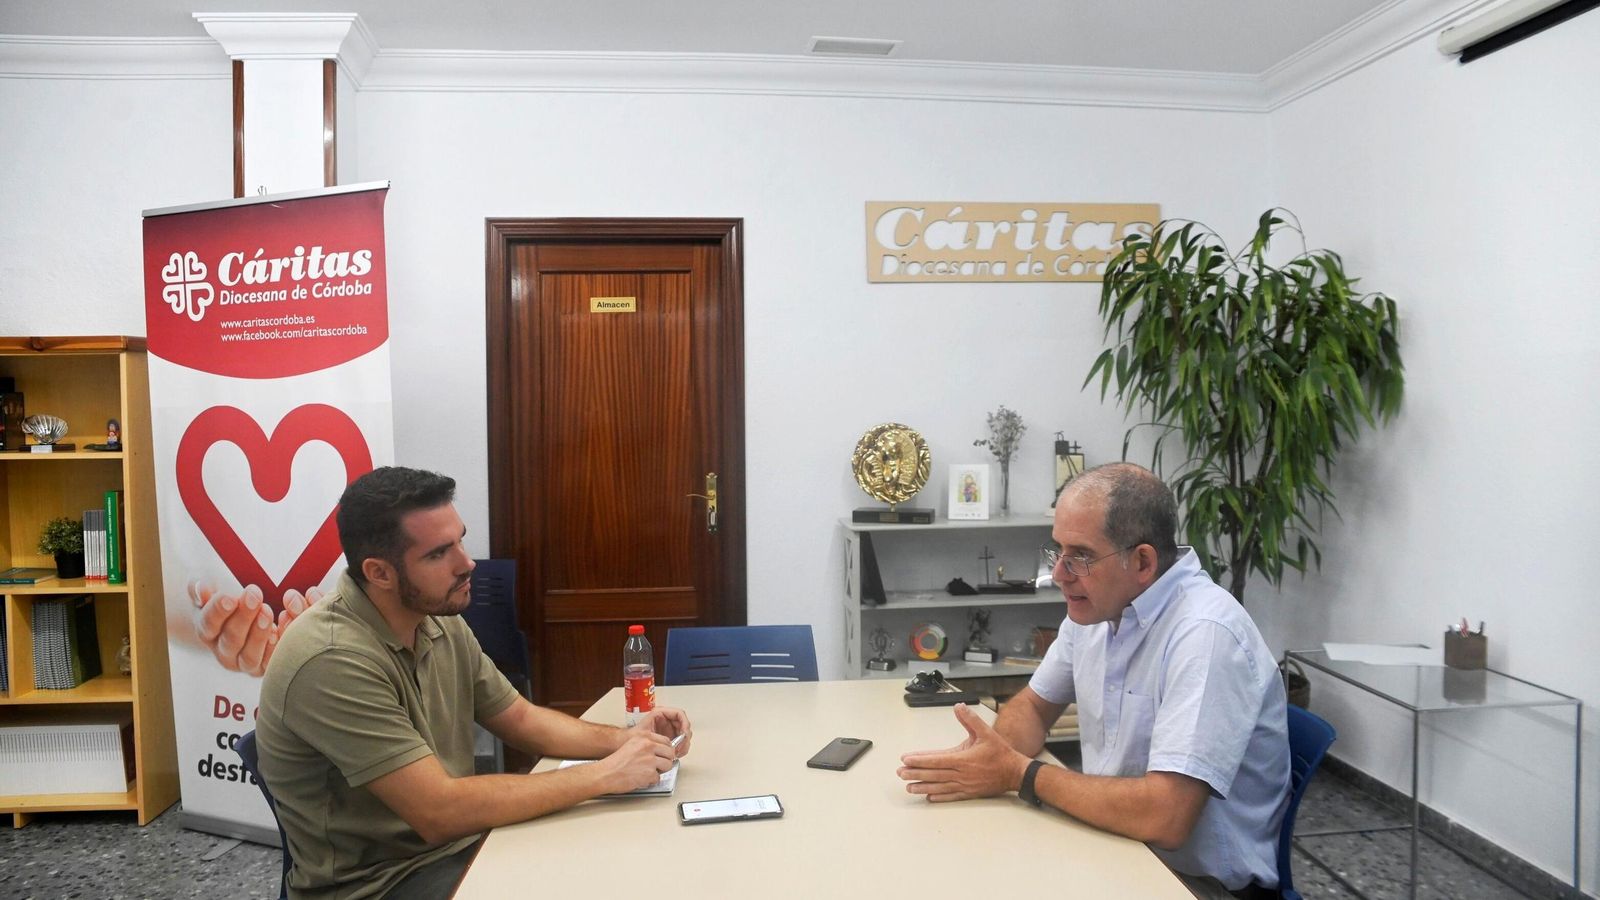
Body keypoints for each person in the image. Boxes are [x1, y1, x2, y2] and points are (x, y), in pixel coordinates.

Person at [257, 466, 691, 900]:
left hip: (455, 847)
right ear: (380, 573)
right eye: (438, 553)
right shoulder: (331, 659)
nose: (467, 564)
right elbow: (438, 811)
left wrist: (627, 741)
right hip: (382, 883)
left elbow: (519, 717)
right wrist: (605, 775)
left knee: (619, 858)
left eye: (460, 540)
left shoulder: (435, 620)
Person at [897, 463, 1288, 900]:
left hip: (1192, 883)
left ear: (1142, 561)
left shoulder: (1205, 635)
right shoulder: (1100, 608)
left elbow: (1166, 817)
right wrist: (989, 757)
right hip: (1117, 845)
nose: (1059, 574)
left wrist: (1016, 773)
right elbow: (1032, 706)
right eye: (1057, 551)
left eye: (1080, 555)